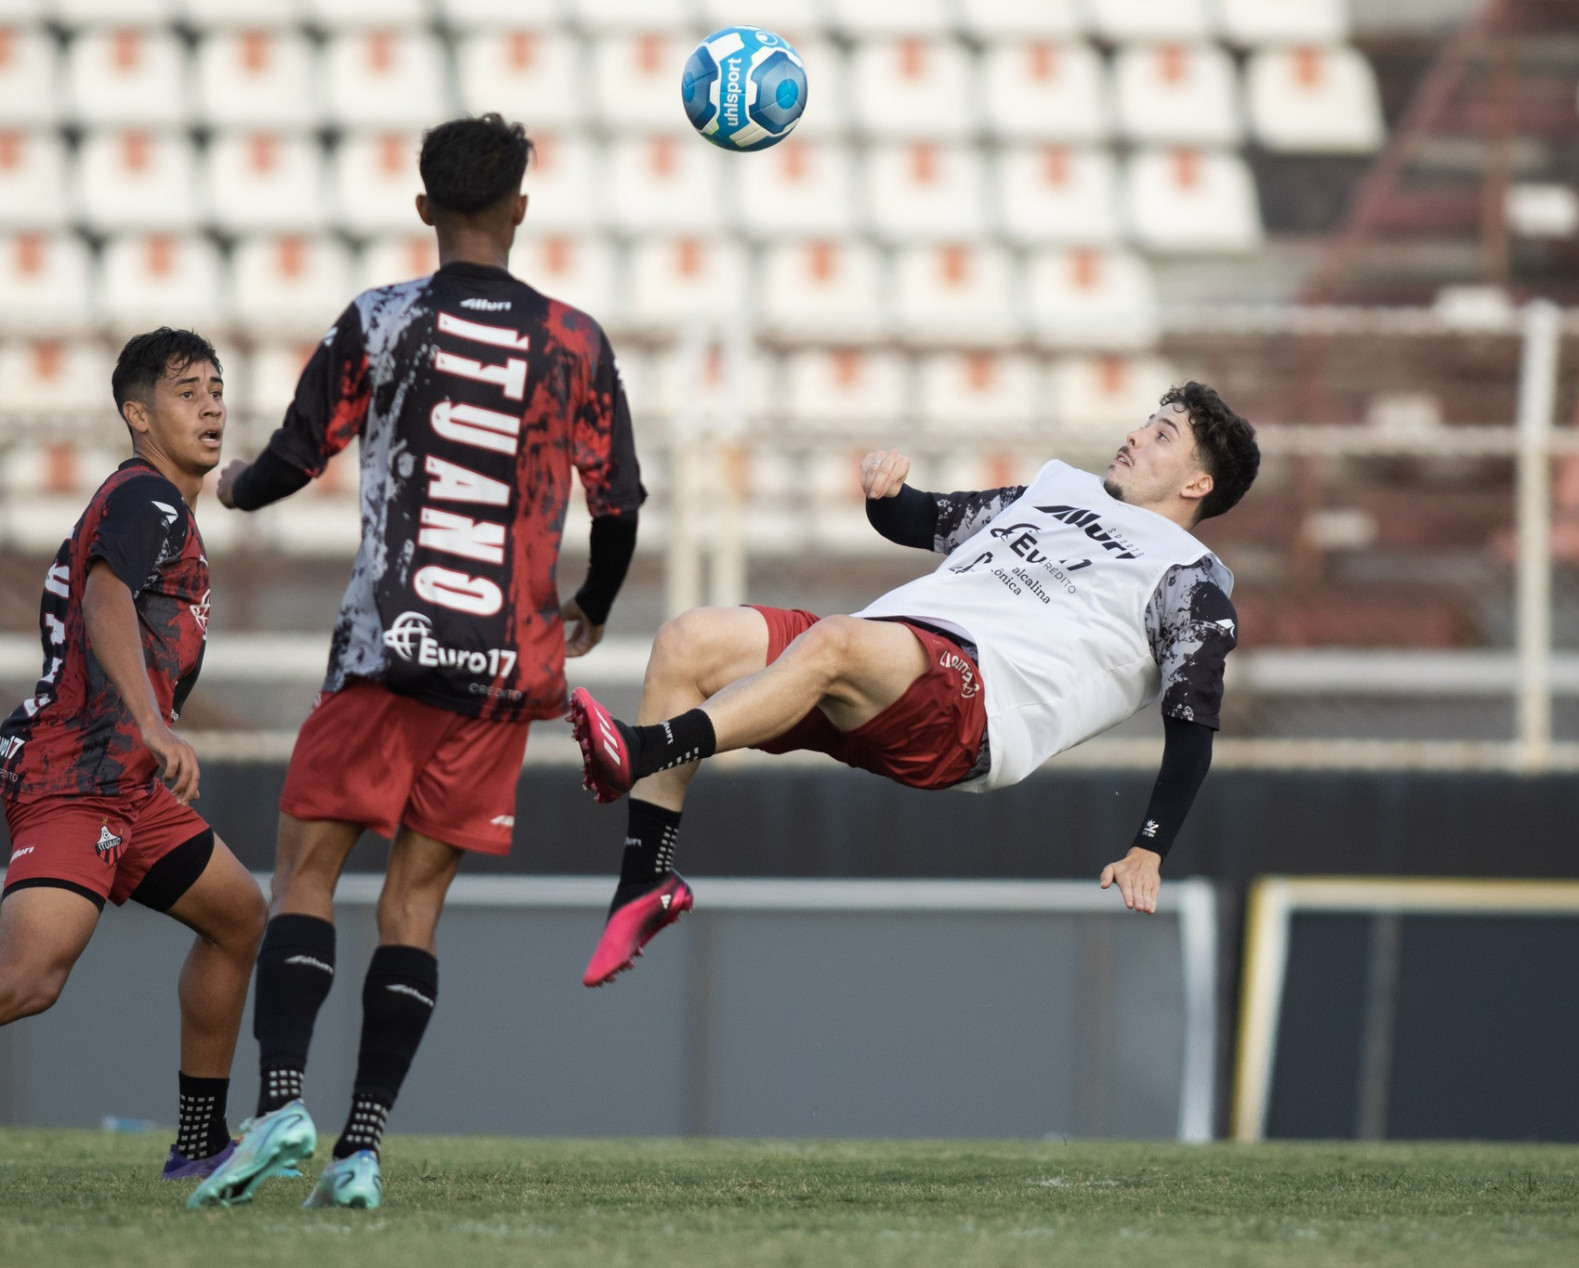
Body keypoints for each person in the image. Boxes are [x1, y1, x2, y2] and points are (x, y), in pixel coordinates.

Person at [188, 114, 644, 1211]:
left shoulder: (383, 318)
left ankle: (286, 1099)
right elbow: (618, 500)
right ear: (521, 209)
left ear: (424, 206)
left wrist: (233, 486)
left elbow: (299, 454)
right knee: (414, 907)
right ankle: (361, 1150)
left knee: (304, 873)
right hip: (500, 668)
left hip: (387, 648)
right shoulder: (575, 338)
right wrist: (590, 602)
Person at [569, 381, 1259, 985]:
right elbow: (925, 520)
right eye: (1146, 421)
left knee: (835, 641)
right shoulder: (1059, 490)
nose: (1135, 436)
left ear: (1196, 485)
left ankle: (641, 750)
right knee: (689, 640)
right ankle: (645, 882)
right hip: (881, 660)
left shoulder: (1189, 581)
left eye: (1162, 434)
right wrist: (886, 494)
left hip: (974, 710)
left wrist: (1148, 847)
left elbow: (1191, 729)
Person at [0, 329, 268, 1181]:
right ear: (138, 415)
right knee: (29, 980)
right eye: (189, 391)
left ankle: (198, 1144)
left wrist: (146, 741)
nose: (214, 405)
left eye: (218, 389)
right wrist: (154, 722)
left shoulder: (157, 507)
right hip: (76, 774)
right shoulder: (147, 500)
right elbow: (105, 597)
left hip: (126, 784)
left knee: (237, 918)